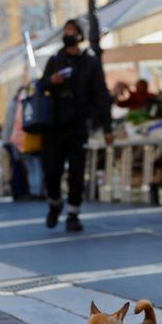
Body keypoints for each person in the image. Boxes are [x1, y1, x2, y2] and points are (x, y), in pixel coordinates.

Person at [40, 20, 113, 232]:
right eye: (65, 31)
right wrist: (51, 81)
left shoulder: (90, 62)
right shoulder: (55, 60)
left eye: (71, 31)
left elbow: (101, 96)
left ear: (80, 35)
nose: (67, 34)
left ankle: (73, 213)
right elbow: (41, 85)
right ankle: (55, 203)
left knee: (77, 172)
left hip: (78, 125)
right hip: (53, 125)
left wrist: (107, 128)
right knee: (52, 172)